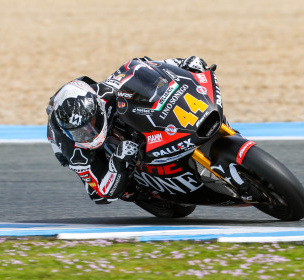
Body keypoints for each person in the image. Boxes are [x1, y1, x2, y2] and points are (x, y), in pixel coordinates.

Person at [46, 56, 210, 204]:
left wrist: (183, 63)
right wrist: (118, 161)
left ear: (97, 108)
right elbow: (103, 192)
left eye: (91, 125)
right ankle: (142, 190)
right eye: (80, 132)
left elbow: (142, 66)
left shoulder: (106, 92)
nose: (88, 133)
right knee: (106, 194)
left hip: (81, 98)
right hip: (75, 151)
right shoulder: (73, 149)